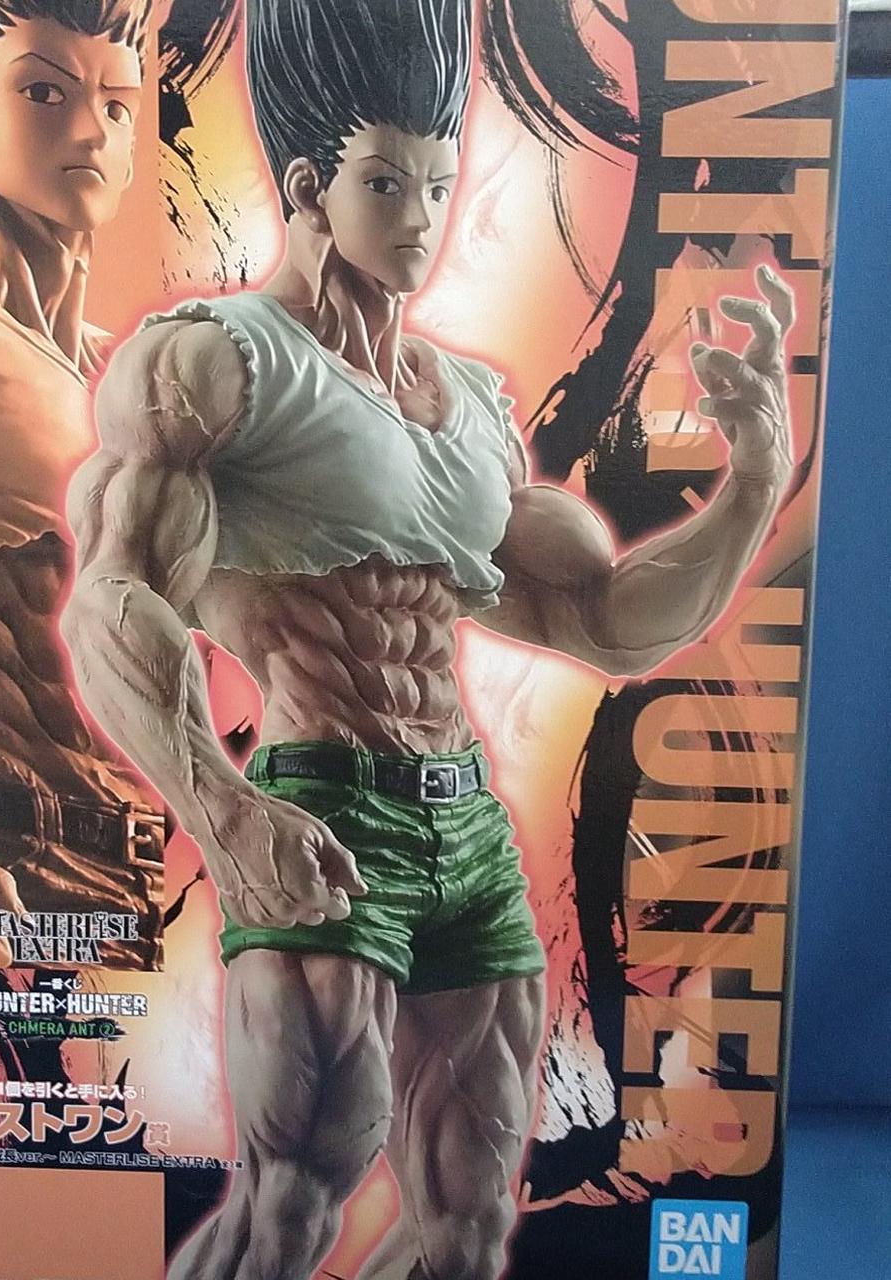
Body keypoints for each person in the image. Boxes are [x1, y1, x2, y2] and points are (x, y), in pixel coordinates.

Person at [63, 0, 796, 1275]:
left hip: (466, 831)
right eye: (386, 183)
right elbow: (111, 602)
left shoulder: (471, 412)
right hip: (321, 809)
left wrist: (751, 490)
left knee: (466, 1220)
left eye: (441, 185)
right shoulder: (214, 364)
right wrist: (228, 816)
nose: (422, 217)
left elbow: (601, 619)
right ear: (309, 186)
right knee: (294, 1199)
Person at [0, 0, 165, 969]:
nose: (91, 132)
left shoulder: (119, 370)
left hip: (125, 869)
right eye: (44, 93)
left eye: (117, 105)